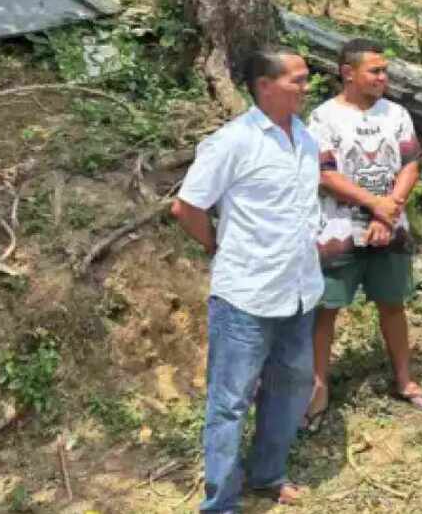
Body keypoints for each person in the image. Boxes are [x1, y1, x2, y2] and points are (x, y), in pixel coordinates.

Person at [172, 48, 340, 513]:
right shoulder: (234, 141)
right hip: (245, 296)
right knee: (230, 402)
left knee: (289, 388)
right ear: (264, 85)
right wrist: (218, 248)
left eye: (307, 79)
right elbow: (187, 207)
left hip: (299, 291)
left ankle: (267, 474)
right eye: (298, 80)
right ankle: (221, 501)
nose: (308, 88)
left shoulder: (305, 138)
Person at [303, 39, 422, 426]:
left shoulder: (396, 114)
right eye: (375, 71)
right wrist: (373, 204)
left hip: (390, 228)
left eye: (385, 71)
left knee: (392, 304)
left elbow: (410, 164)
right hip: (338, 231)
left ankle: (404, 379)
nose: (383, 78)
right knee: (326, 309)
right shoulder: (324, 118)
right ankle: (318, 388)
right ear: (348, 72)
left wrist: (387, 211)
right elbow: (325, 173)